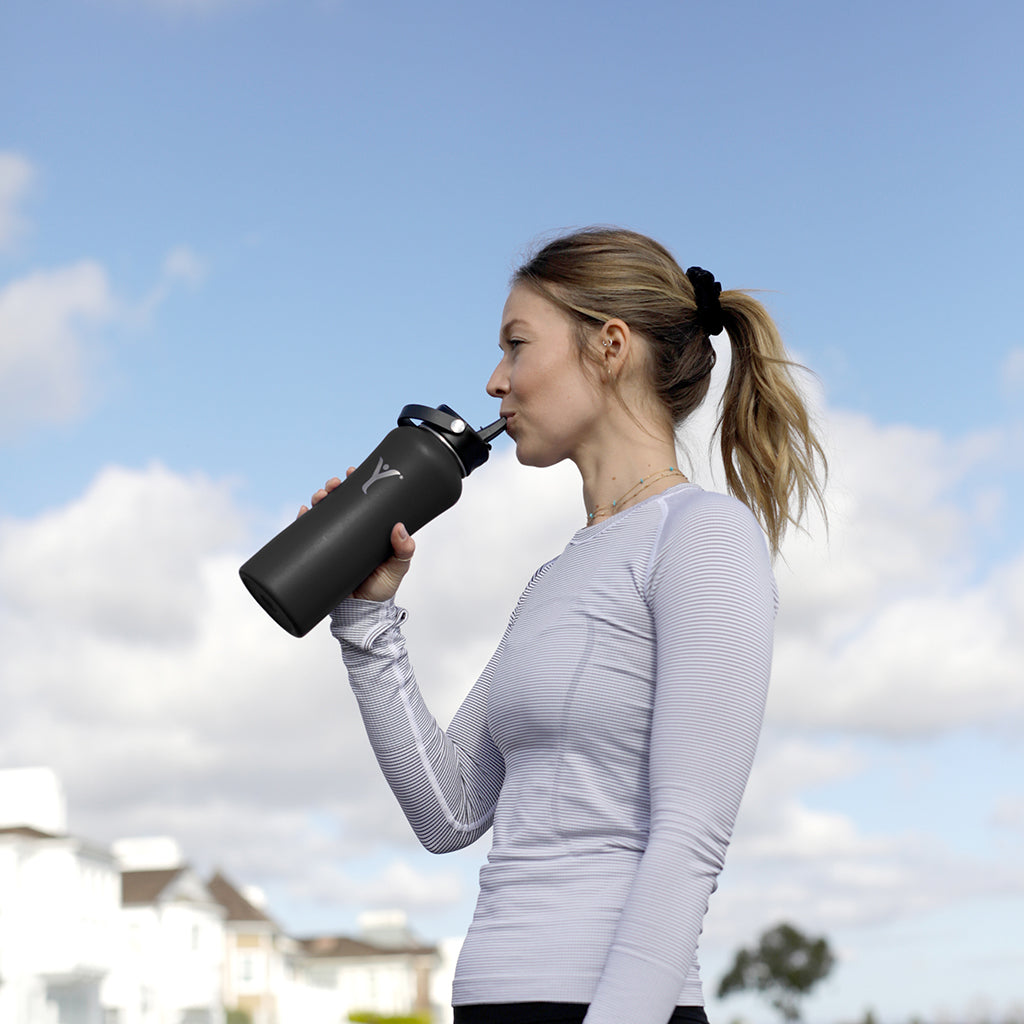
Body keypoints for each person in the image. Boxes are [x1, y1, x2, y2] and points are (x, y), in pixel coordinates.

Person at [301, 228, 826, 1024]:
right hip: (493, 998)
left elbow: (688, 840)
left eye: (516, 346)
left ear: (609, 346)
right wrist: (367, 619)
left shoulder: (703, 536)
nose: (494, 382)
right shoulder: (555, 576)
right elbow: (448, 813)